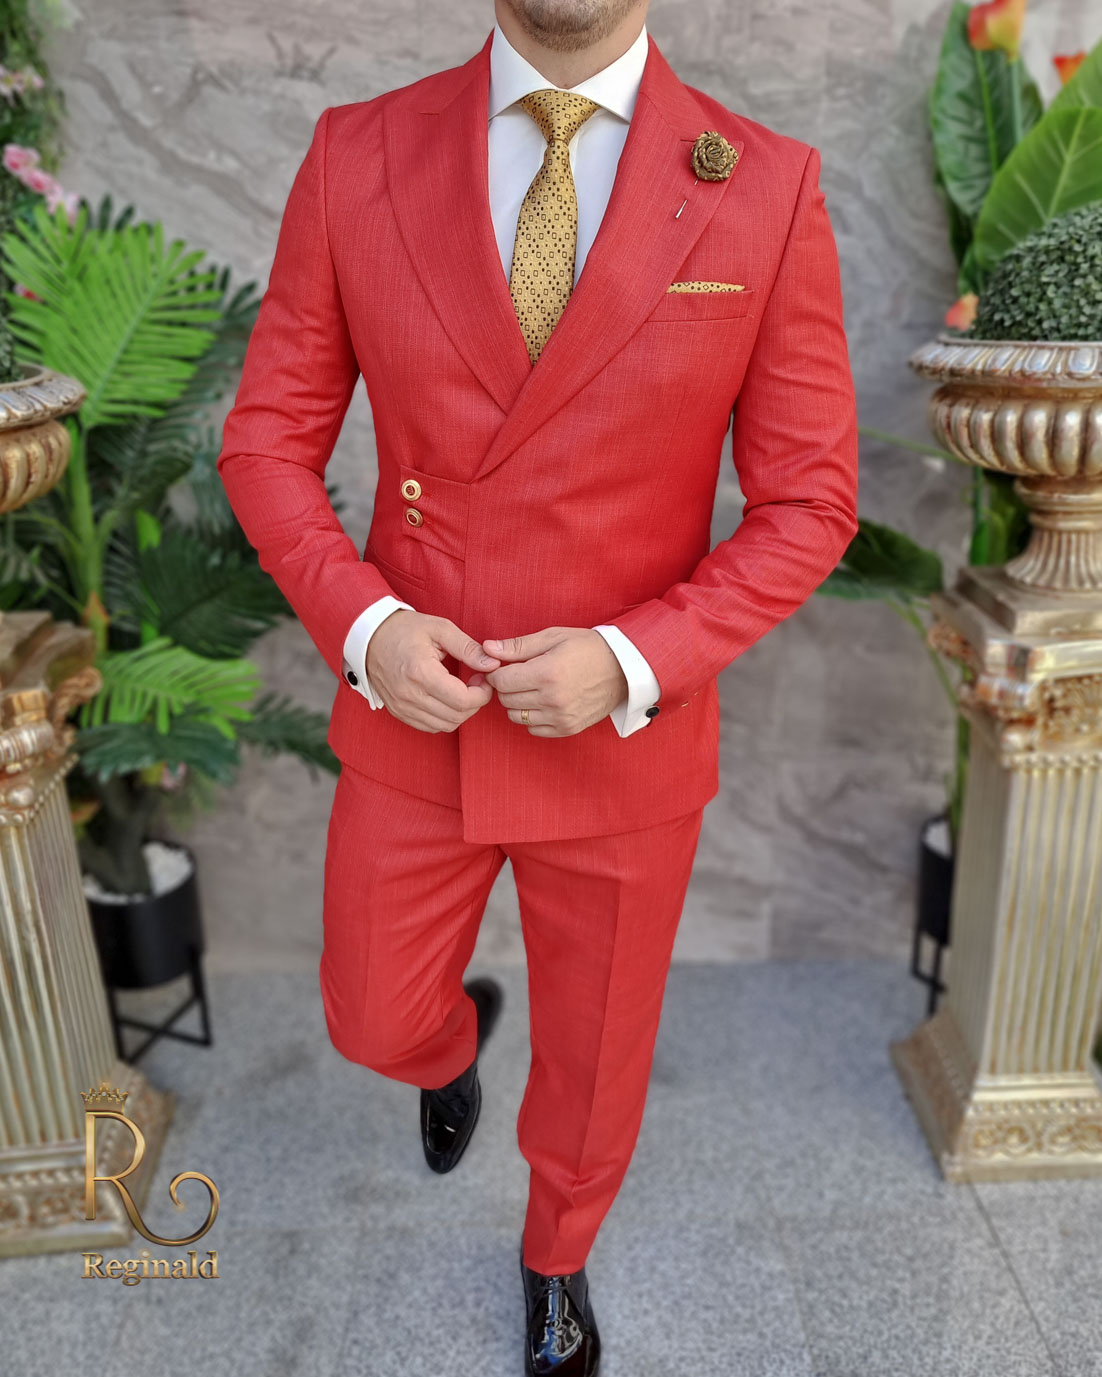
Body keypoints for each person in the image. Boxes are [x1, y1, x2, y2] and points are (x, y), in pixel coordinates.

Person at [216, 1, 859, 1371]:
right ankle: (447, 1045)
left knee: (594, 1057)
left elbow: (809, 503)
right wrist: (367, 626)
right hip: (417, 702)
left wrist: (632, 658)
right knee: (371, 1013)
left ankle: (557, 1255)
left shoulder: (764, 184)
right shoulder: (355, 153)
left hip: (619, 732)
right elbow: (267, 442)